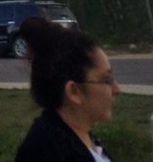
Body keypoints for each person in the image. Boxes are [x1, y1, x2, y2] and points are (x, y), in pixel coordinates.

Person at [15, 16, 119, 161]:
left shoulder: (77, 139)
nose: (116, 89)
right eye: (106, 80)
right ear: (74, 91)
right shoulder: (46, 152)